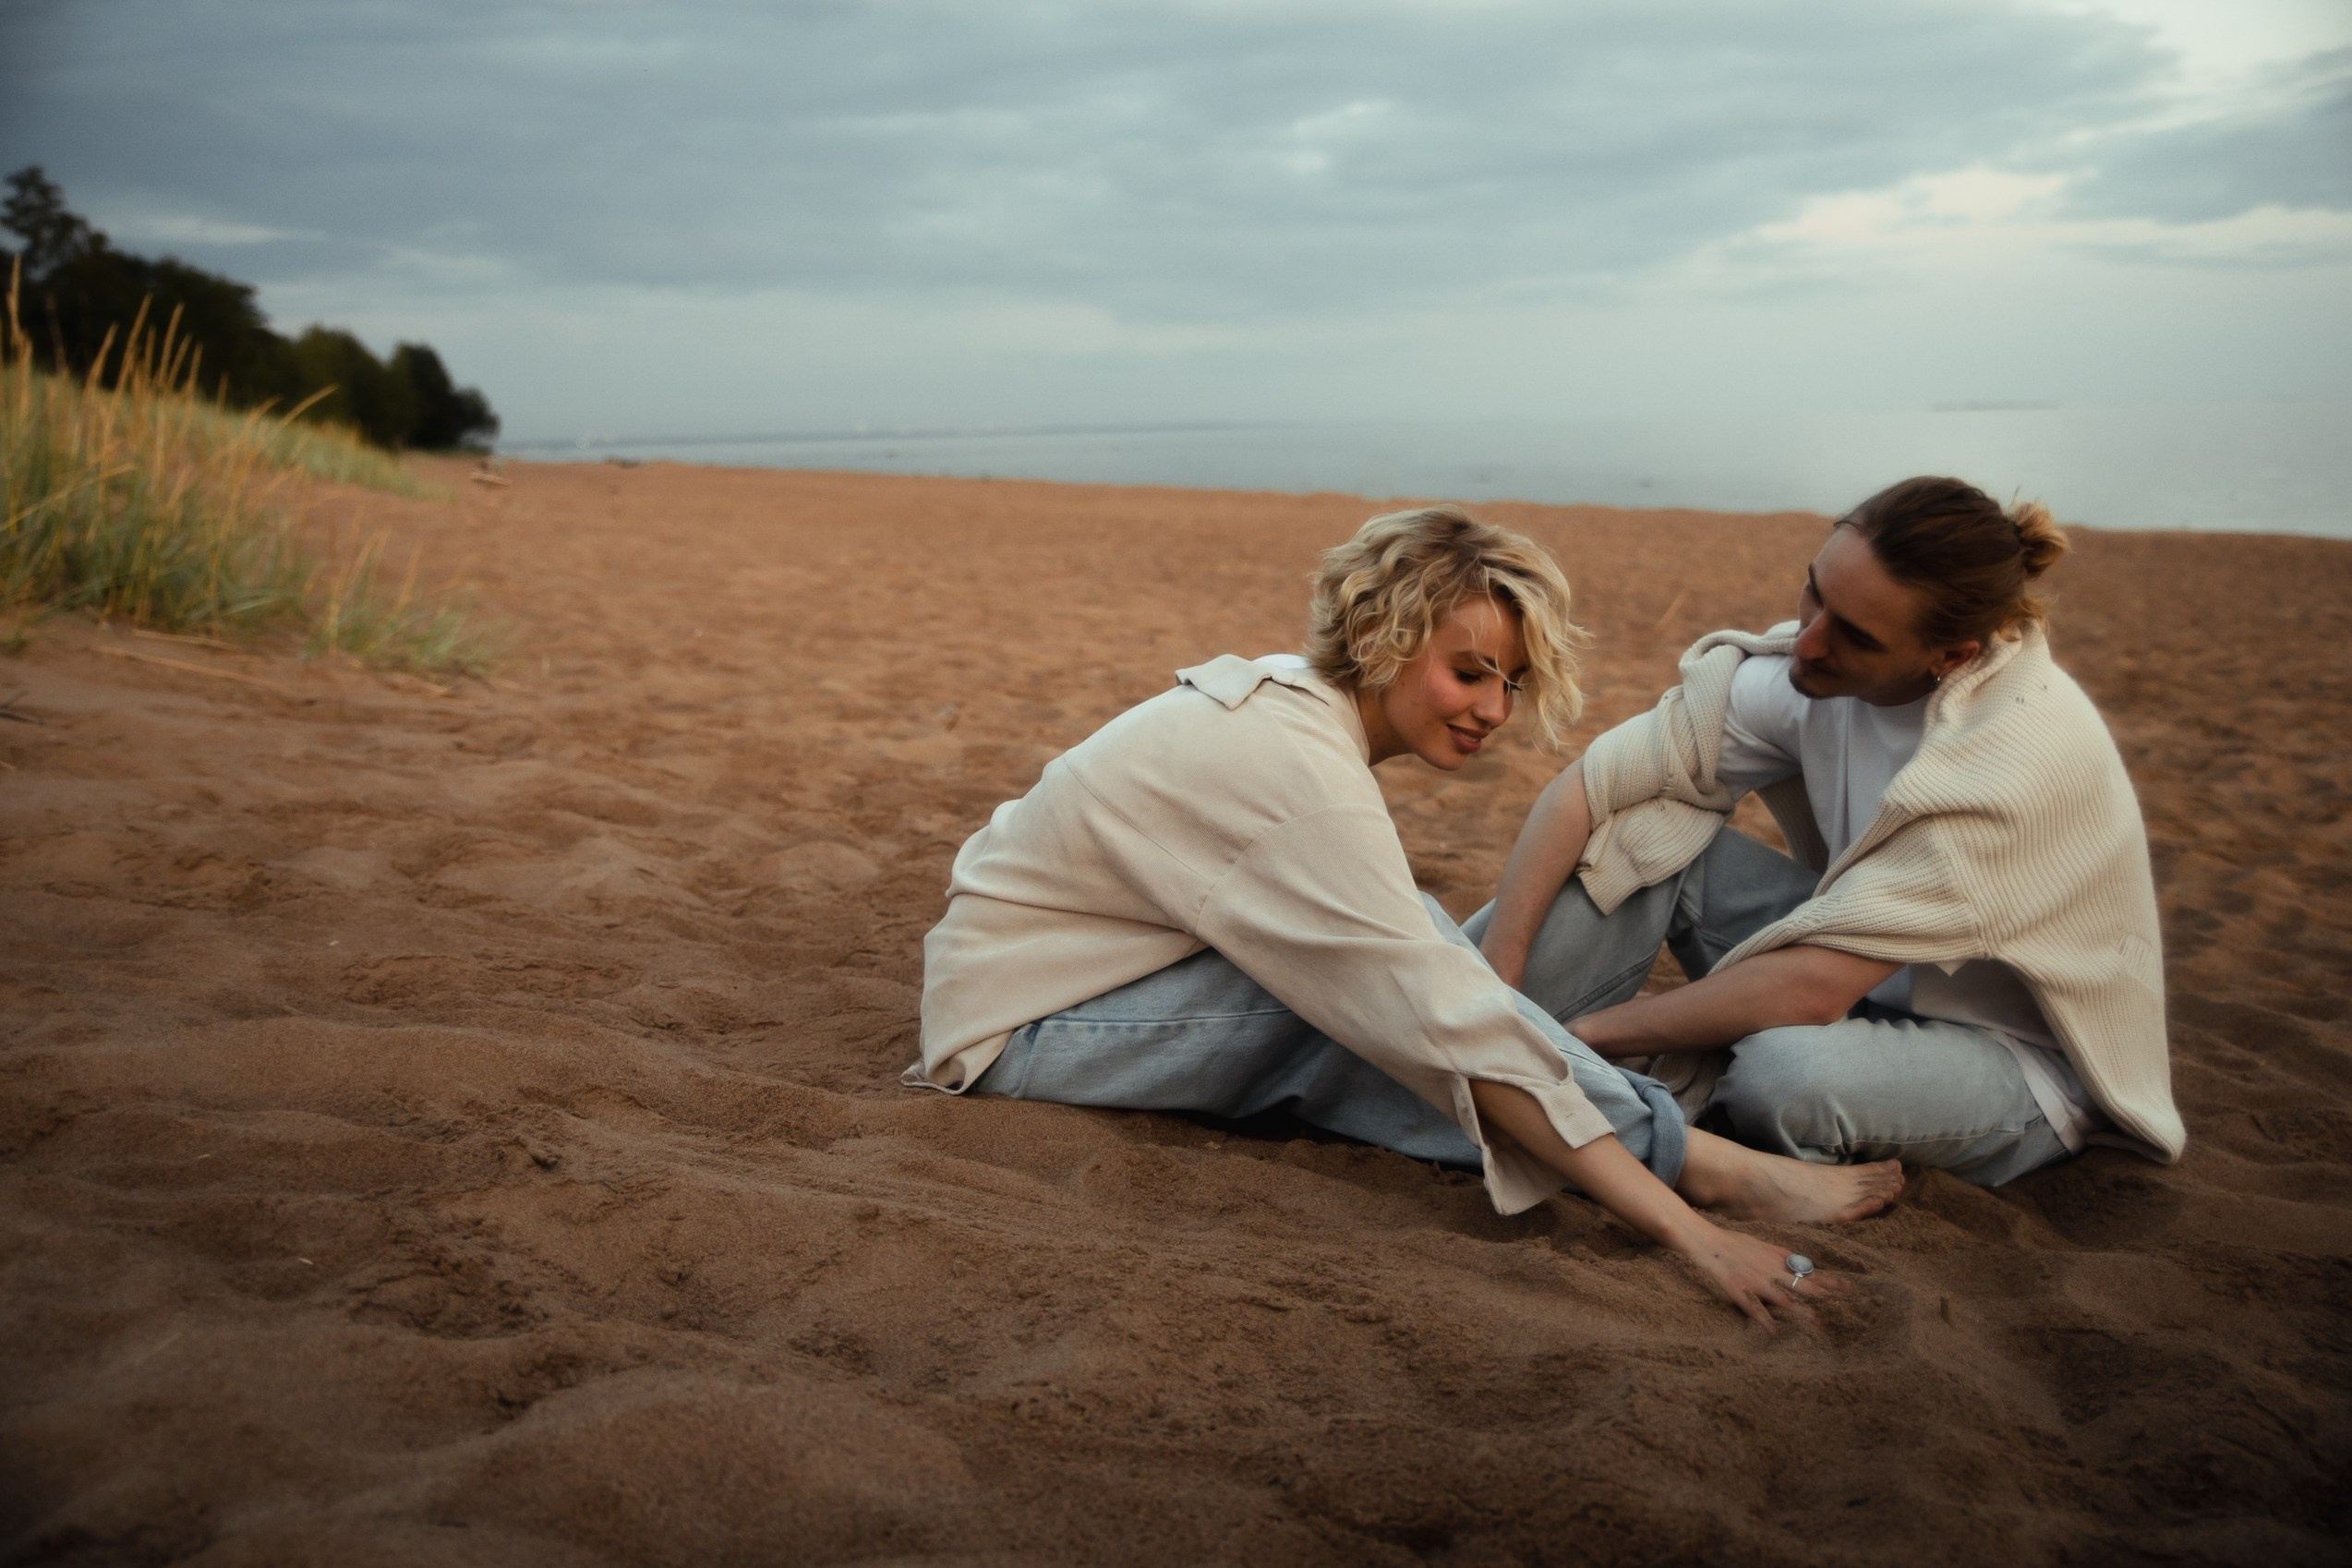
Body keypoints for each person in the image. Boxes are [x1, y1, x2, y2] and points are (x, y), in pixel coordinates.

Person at [909, 506, 1901, 1326]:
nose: (1493, 709)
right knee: (1380, 1003)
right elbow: (1437, 1017)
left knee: (1403, 947)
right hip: (1021, 1031)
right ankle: (1702, 1166)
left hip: (1063, 980)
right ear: (1384, 633)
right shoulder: (1298, 772)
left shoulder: (1298, 715)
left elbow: (1427, 985)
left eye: (1508, 683)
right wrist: (1697, 1235)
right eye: (1468, 671)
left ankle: (1647, 1133)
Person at [1475, 476, 2183, 1187]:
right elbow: (1589, 791)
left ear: (1953, 656)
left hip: (2012, 1063)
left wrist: (1586, 1036)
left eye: (1855, 635)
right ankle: (1470, 1034)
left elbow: (1812, 991)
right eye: (1815, 593)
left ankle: (1608, 1099)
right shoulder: (1812, 671)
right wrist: (1496, 984)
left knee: (1778, 1077)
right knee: (1640, 824)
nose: (1808, 644)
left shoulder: (2011, 759)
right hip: (1856, 973)